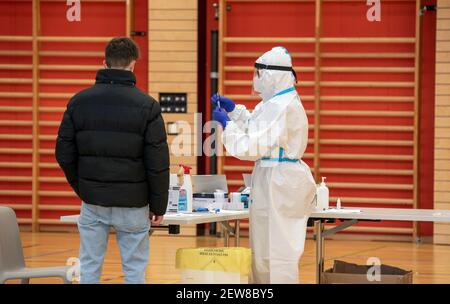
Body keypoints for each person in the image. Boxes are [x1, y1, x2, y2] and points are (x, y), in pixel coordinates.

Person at [55, 37, 170, 284]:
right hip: (133, 204)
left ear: (104, 63)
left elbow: (63, 153)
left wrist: (84, 187)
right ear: (133, 65)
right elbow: (157, 163)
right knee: (134, 271)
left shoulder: (78, 102)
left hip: (93, 201)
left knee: (88, 267)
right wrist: (159, 205)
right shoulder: (147, 106)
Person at [212, 46, 316, 284]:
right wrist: (235, 112)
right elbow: (256, 126)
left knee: (279, 252)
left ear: (272, 75)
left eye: (259, 73)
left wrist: (228, 126)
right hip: (270, 176)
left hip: (280, 180)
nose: (255, 79)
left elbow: (250, 147)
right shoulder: (275, 102)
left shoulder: (281, 106)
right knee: (262, 250)